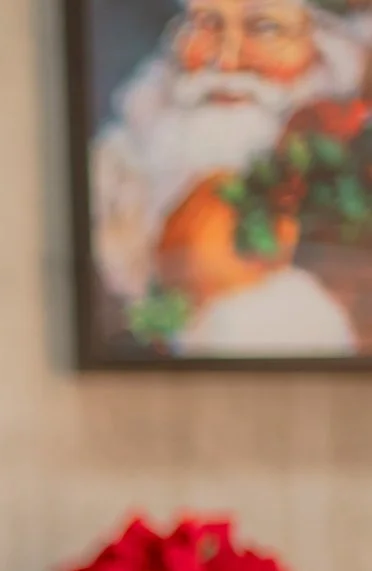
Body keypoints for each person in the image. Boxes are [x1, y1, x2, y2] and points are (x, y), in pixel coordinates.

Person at [90, 0, 368, 355]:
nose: (226, 62)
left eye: (265, 28)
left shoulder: (347, 175)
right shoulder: (119, 169)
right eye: (206, 24)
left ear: (327, 48)